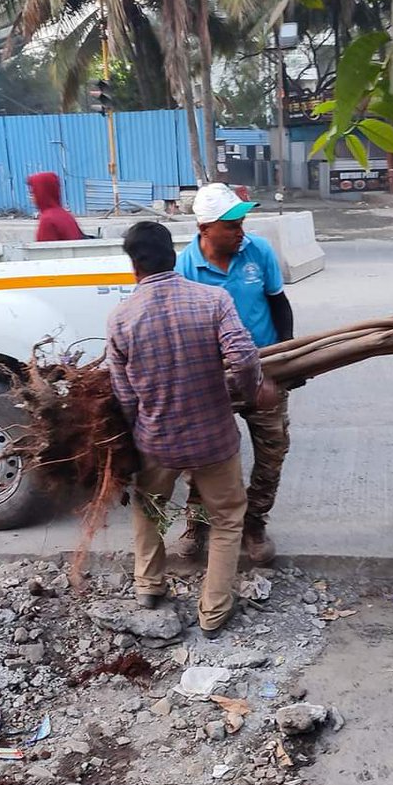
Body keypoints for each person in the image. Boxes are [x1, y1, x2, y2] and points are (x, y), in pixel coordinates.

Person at [107, 220, 276, 637]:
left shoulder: (121, 318)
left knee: (151, 512)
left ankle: (149, 585)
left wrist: (136, 435)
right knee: (227, 518)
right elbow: (243, 355)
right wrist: (252, 390)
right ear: (174, 255)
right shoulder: (212, 300)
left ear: (134, 265)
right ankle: (214, 610)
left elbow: (124, 396)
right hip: (213, 437)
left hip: (157, 440)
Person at [176, 183, 294, 564]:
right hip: (211, 377)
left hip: (263, 370)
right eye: (231, 225)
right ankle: (197, 522)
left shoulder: (258, 252)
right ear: (205, 227)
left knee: (272, 450)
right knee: (200, 457)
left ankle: (255, 523)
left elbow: (279, 305)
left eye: (241, 222)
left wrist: (288, 358)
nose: (240, 231)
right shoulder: (185, 268)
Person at [27, 172, 84, 243]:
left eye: (33, 192)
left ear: (41, 193)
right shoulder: (65, 214)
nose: (30, 197)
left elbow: (43, 252)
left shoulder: (47, 220)